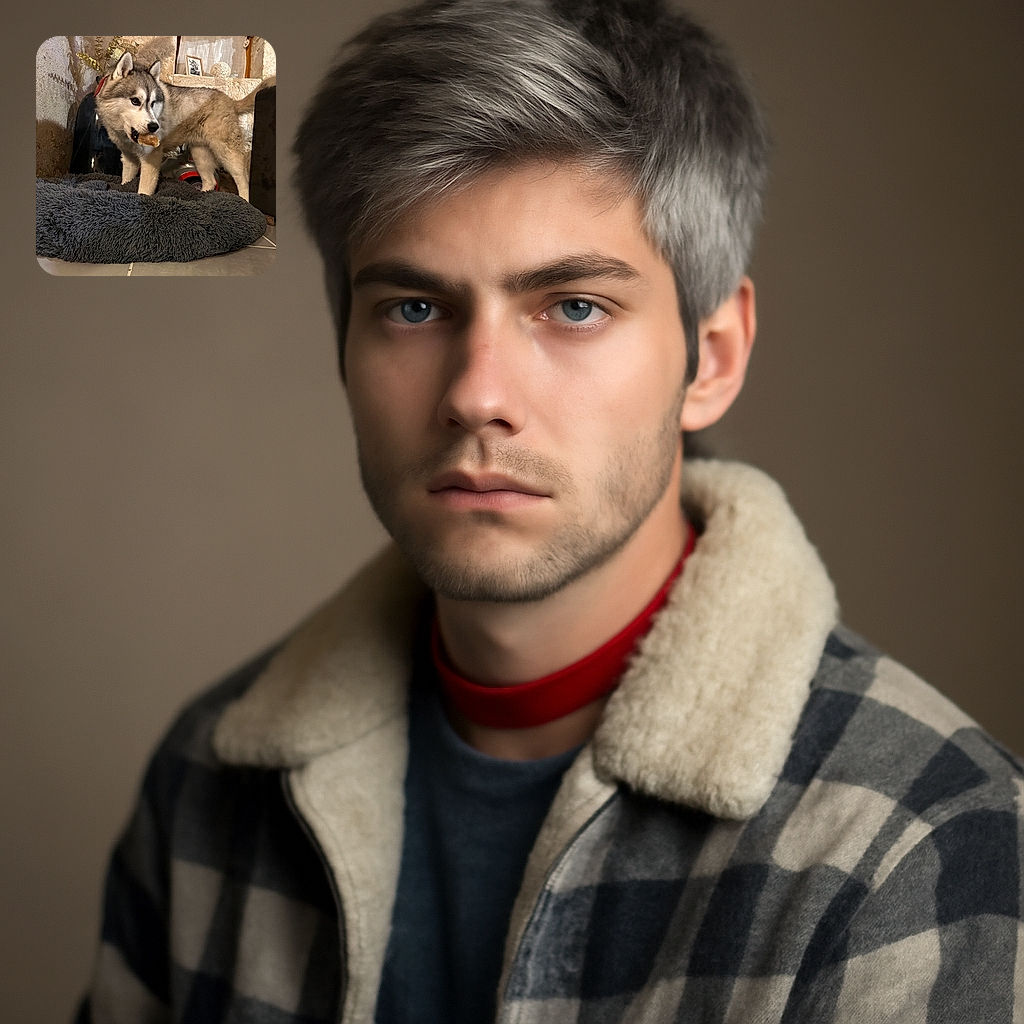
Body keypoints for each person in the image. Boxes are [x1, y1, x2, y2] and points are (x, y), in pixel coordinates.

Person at [77, 1, 1023, 1021]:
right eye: (413, 307)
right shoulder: (209, 780)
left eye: (573, 306)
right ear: (341, 346)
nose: (477, 392)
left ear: (715, 356)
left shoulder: (917, 838)